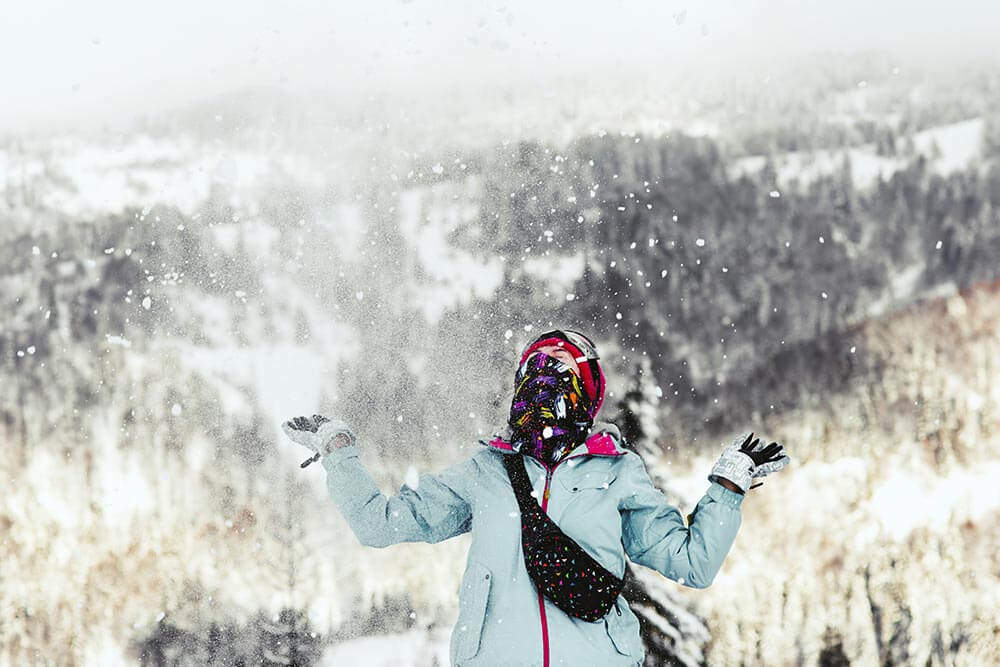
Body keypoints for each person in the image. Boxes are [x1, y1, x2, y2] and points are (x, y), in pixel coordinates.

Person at [283, 329, 790, 666]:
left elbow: (691, 563)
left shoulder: (616, 473)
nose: (543, 392)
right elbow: (379, 523)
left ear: (584, 393)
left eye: (558, 377)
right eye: (535, 375)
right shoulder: (486, 472)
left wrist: (726, 488)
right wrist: (339, 452)